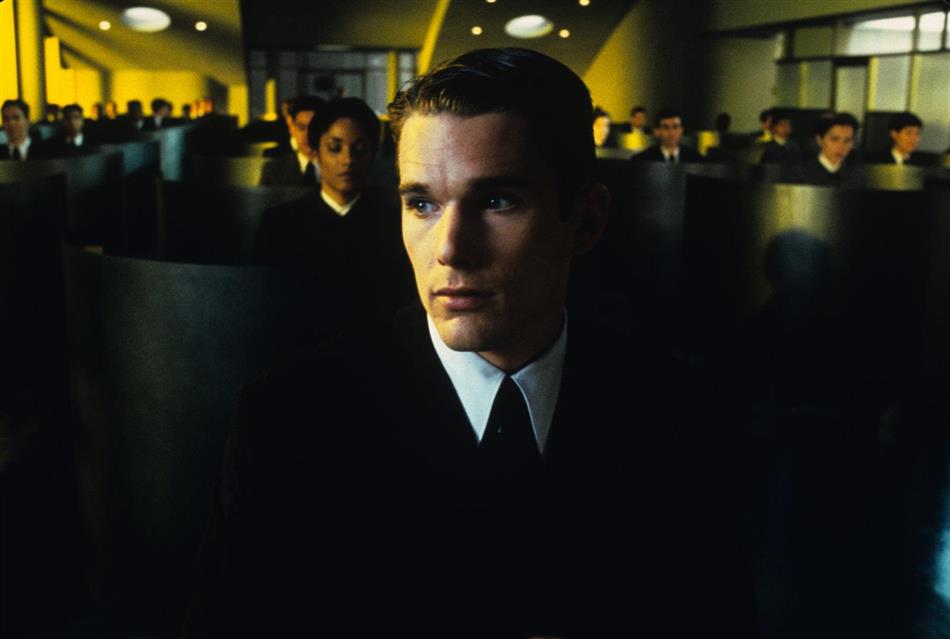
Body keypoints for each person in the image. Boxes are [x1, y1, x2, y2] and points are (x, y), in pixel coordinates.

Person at [187, 47, 754, 637]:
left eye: (497, 201)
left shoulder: (673, 410)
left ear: (585, 220)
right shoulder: (288, 419)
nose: (451, 249)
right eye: (422, 204)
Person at [258, 95, 325, 186]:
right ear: (292, 128)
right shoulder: (273, 170)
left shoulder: (337, 168)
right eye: (301, 128)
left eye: (313, 128)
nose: (307, 135)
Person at [796, 112, 862, 187]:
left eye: (847, 141)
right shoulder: (800, 175)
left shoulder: (857, 177)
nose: (841, 147)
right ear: (819, 140)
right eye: (834, 139)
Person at [632, 107, 703, 162]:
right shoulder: (642, 160)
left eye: (675, 127)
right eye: (666, 127)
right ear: (657, 131)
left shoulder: (696, 159)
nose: (671, 132)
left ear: (681, 130)